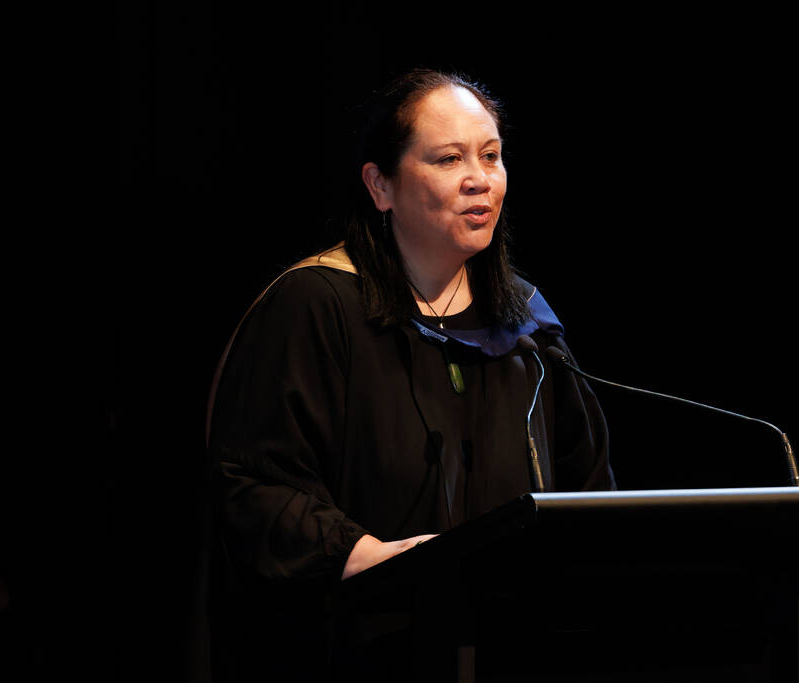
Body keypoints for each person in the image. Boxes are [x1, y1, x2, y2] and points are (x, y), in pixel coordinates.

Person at [206, 68, 615, 681]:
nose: (479, 179)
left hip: (511, 650)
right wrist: (367, 555)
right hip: (359, 649)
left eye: (492, 155)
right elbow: (255, 484)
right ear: (380, 186)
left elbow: (587, 490)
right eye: (449, 159)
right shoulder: (318, 306)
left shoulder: (526, 329)